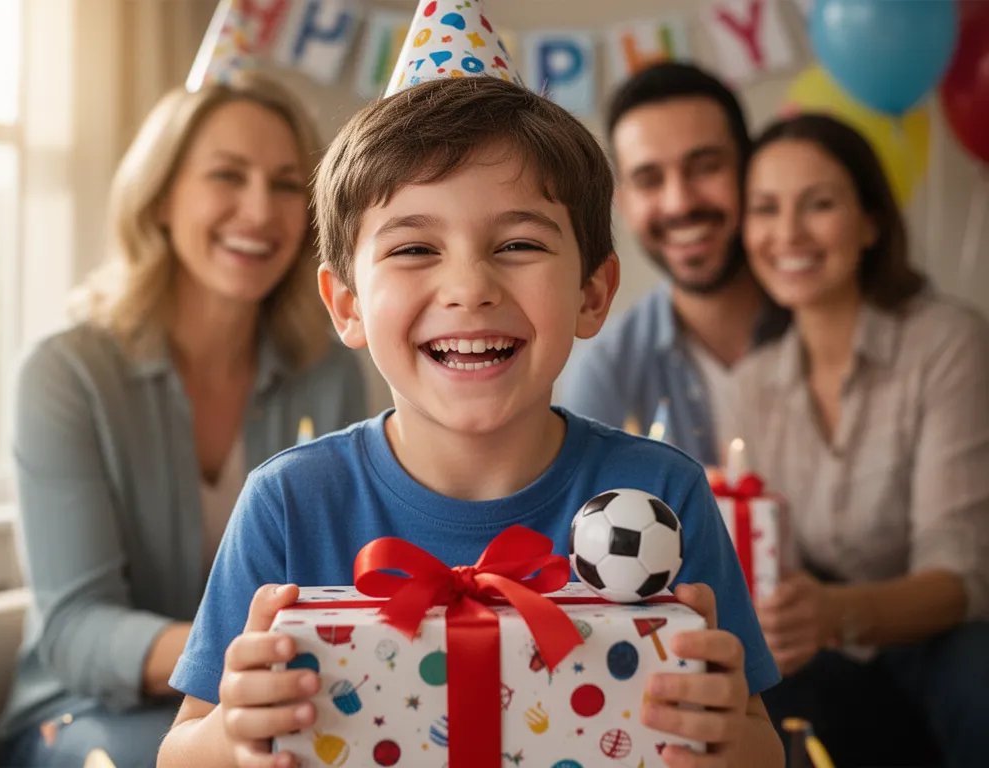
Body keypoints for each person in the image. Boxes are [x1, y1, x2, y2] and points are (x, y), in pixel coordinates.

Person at [156, 74, 785, 768]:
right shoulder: (290, 503)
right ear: (346, 305)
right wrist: (231, 736)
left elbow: (761, 743)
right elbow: (179, 752)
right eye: (414, 249)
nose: (469, 289)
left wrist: (730, 743)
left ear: (592, 293)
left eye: (518, 245)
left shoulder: (665, 491)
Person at [0, 70, 369, 768]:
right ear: (162, 198)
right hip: (85, 717)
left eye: (287, 184)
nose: (260, 210)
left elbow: (343, 580)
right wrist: (242, 665)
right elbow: (75, 628)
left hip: (284, 698)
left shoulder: (330, 370)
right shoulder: (64, 374)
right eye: (228, 175)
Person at [731, 113, 989, 767]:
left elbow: (962, 576)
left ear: (871, 223)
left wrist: (834, 613)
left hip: (946, 640)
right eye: (765, 208)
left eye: (818, 204)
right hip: (827, 659)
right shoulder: (754, 381)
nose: (787, 233)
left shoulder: (948, 343)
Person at [556, 62, 788, 466]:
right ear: (624, 204)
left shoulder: (834, 325)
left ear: (750, 172)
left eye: (705, 167)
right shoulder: (606, 369)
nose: (680, 202)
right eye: (649, 179)